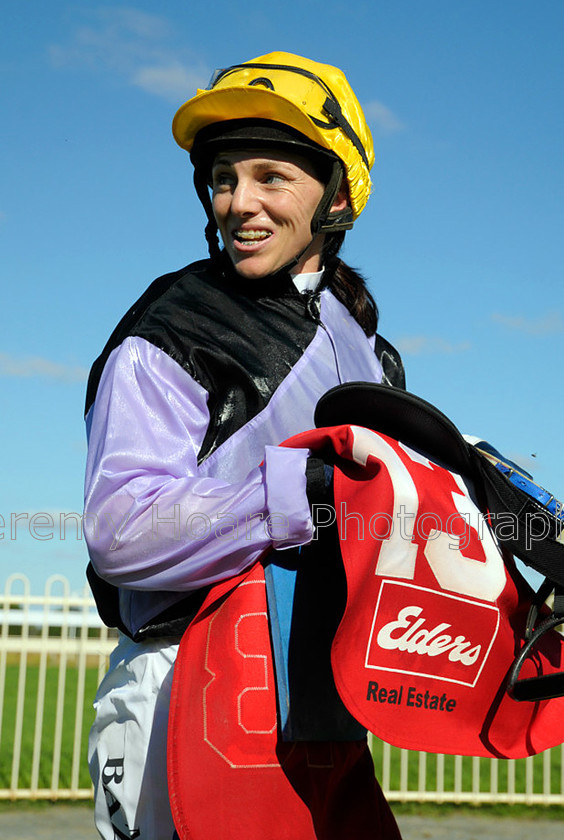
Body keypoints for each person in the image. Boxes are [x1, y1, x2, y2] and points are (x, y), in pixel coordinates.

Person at [84, 51, 405, 840]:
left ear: (336, 193)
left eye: (271, 176)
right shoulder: (173, 327)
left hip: (322, 707)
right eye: (225, 177)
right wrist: (304, 491)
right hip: (180, 691)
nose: (239, 203)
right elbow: (120, 529)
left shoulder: (369, 344)